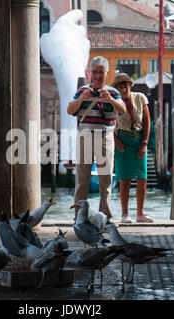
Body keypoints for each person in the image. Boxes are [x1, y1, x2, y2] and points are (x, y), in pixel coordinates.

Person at [67, 56, 126, 222]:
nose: (98, 75)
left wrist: (110, 99)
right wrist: (81, 99)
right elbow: (70, 110)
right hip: (85, 134)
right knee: (82, 179)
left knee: (105, 178)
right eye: (95, 72)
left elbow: (123, 110)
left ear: (106, 73)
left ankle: (104, 216)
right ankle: (79, 217)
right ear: (90, 73)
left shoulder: (112, 92)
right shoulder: (82, 91)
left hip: (105, 135)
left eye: (101, 72)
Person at [112, 73, 153, 223]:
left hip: (138, 141)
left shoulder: (140, 97)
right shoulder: (114, 102)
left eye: (126, 86)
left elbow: (147, 121)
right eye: (120, 87)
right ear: (117, 89)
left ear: (130, 86)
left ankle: (140, 213)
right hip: (122, 140)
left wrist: (144, 143)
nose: (124, 89)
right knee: (125, 179)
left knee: (142, 178)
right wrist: (115, 140)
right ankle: (124, 214)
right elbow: (109, 124)